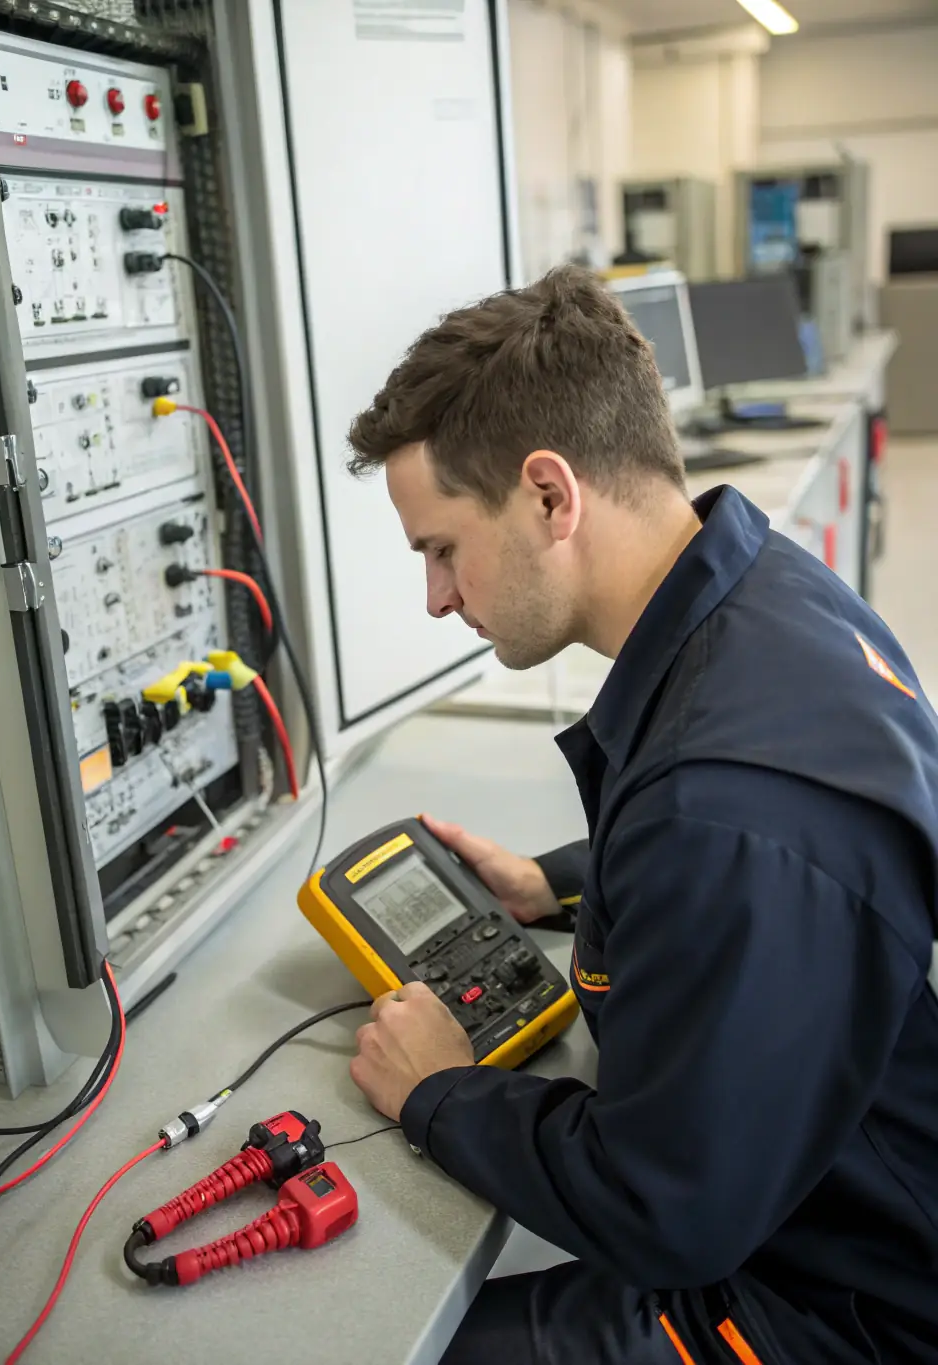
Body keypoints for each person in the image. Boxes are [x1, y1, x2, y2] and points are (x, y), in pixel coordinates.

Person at [343, 266, 938, 1365]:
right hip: (815, 1197)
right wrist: (560, 882)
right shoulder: (767, 594)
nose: (437, 598)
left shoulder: (722, 807)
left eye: (441, 548)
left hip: (838, 1307)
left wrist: (440, 1093)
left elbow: (663, 1210)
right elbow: (746, 852)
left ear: (549, 495)